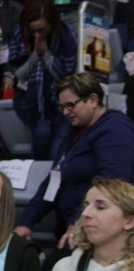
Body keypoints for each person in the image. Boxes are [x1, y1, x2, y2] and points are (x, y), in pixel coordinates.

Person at [16, 72, 134, 247]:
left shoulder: (114, 129)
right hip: (73, 228)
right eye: (62, 107)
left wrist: (80, 223)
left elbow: (114, 185)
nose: (65, 112)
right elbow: (53, 181)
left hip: (98, 233)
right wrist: (27, 221)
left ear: (93, 100)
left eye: (70, 105)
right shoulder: (75, 132)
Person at [8, 0, 77, 160]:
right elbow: (18, 74)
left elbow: (67, 78)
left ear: (53, 24)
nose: (37, 35)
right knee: (42, 133)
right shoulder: (21, 33)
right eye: (33, 30)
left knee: (57, 149)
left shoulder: (68, 36)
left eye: (42, 30)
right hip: (29, 99)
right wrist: (35, 54)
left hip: (62, 101)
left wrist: (46, 54)